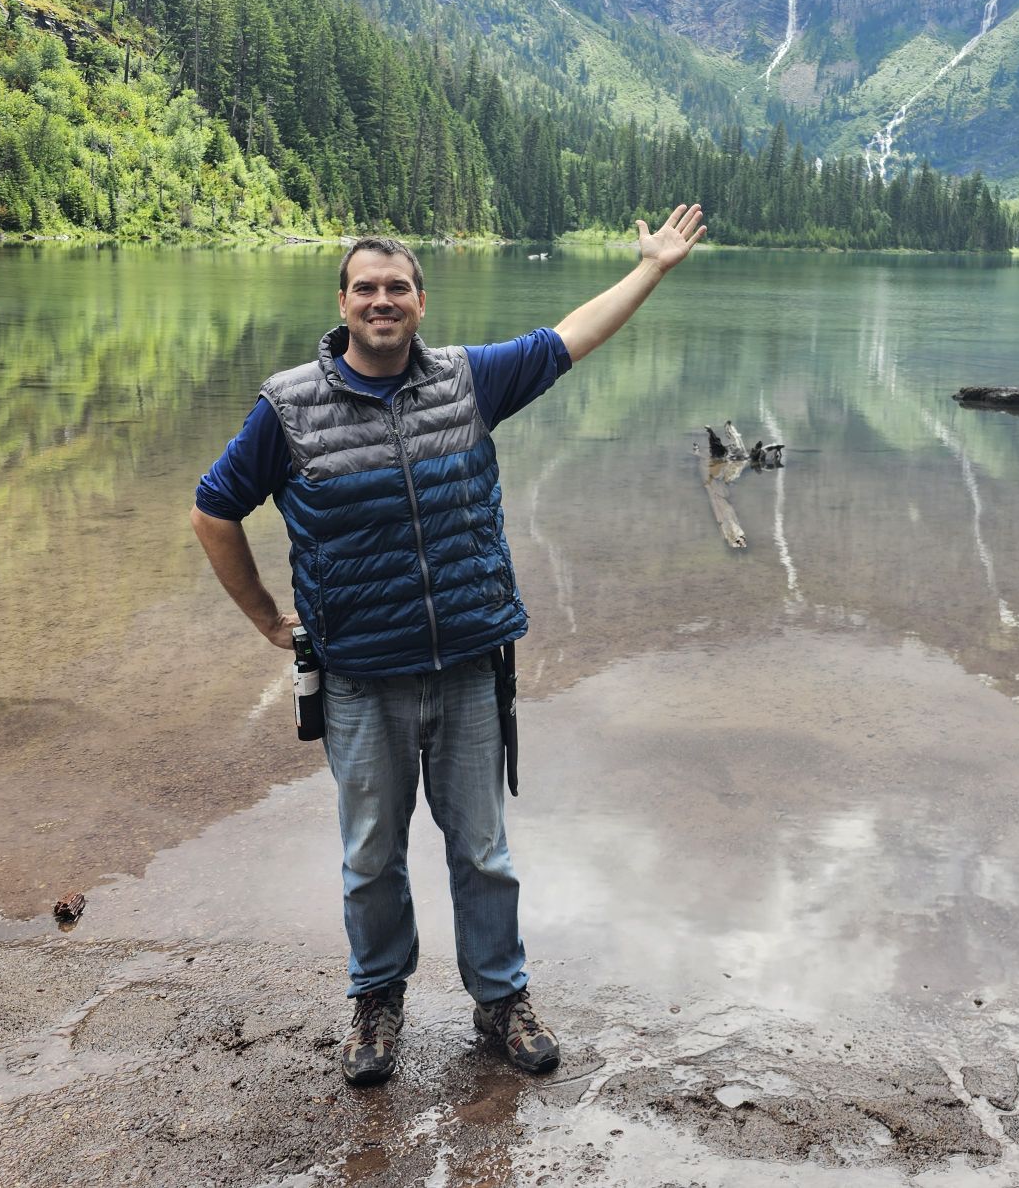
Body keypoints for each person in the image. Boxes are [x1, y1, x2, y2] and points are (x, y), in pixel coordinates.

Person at [189, 207, 707, 1086]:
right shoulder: (290, 407)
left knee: (483, 852)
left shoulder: (467, 381)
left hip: (469, 667)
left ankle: (501, 1000)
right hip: (360, 679)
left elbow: (569, 337)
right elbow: (214, 510)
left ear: (421, 303)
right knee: (370, 859)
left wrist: (651, 268)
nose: (381, 301)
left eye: (397, 288)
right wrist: (270, 620)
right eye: (365, 288)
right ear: (342, 303)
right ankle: (376, 1003)